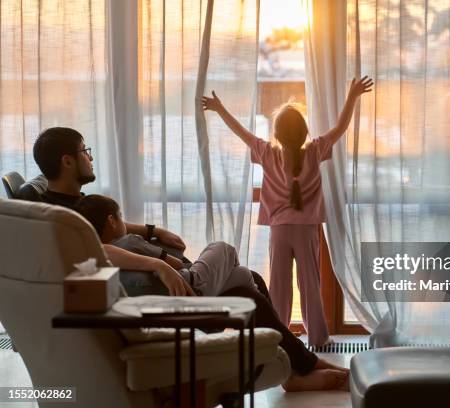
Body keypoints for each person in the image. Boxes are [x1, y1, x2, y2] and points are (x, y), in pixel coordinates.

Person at [31, 126, 350, 391]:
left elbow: (111, 229)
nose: (90, 157)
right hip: (157, 303)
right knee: (229, 257)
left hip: (157, 294)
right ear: (68, 161)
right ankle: (297, 369)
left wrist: (152, 230)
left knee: (249, 283)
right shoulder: (61, 218)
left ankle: (292, 370)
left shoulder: (73, 205)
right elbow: (95, 249)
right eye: (85, 151)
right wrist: (157, 262)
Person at [202, 76, 374, 346]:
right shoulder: (315, 151)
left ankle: (279, 339)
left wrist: (219, 107)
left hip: (279, 230)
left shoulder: (267, 153)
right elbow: (341, 127)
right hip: (306, 231)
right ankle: (318, 337)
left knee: (279, 287)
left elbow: (240, 132)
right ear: (304, 132)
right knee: (310, 285)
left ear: (277, 134)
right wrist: (352, 95)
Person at [75, 194, 256, 296]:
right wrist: (166, 255)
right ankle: (207, 294)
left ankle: (261, 340)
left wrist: (156, 233)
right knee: (222, 247)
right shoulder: (129, 241)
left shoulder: (95, 255)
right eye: (121, 216)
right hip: (190, 283)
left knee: (243, 274)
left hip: (174, 294)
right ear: (111, 221)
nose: (125, 222)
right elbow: (176, 264)